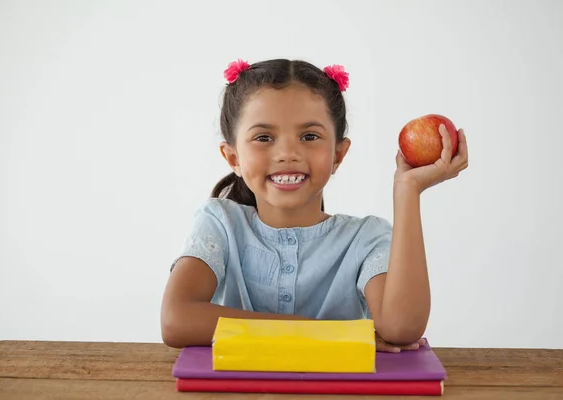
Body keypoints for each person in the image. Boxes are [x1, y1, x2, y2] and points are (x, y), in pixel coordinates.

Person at [160, 58, 468, 352]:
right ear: (233, 158)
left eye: (309, 136)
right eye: (264, 138)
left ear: (338, 155)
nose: (287, 153)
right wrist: (324, 334)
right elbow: (176, 321)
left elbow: (401, 329)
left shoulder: (365, 239)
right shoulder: (220, 222)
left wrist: (407, 191)